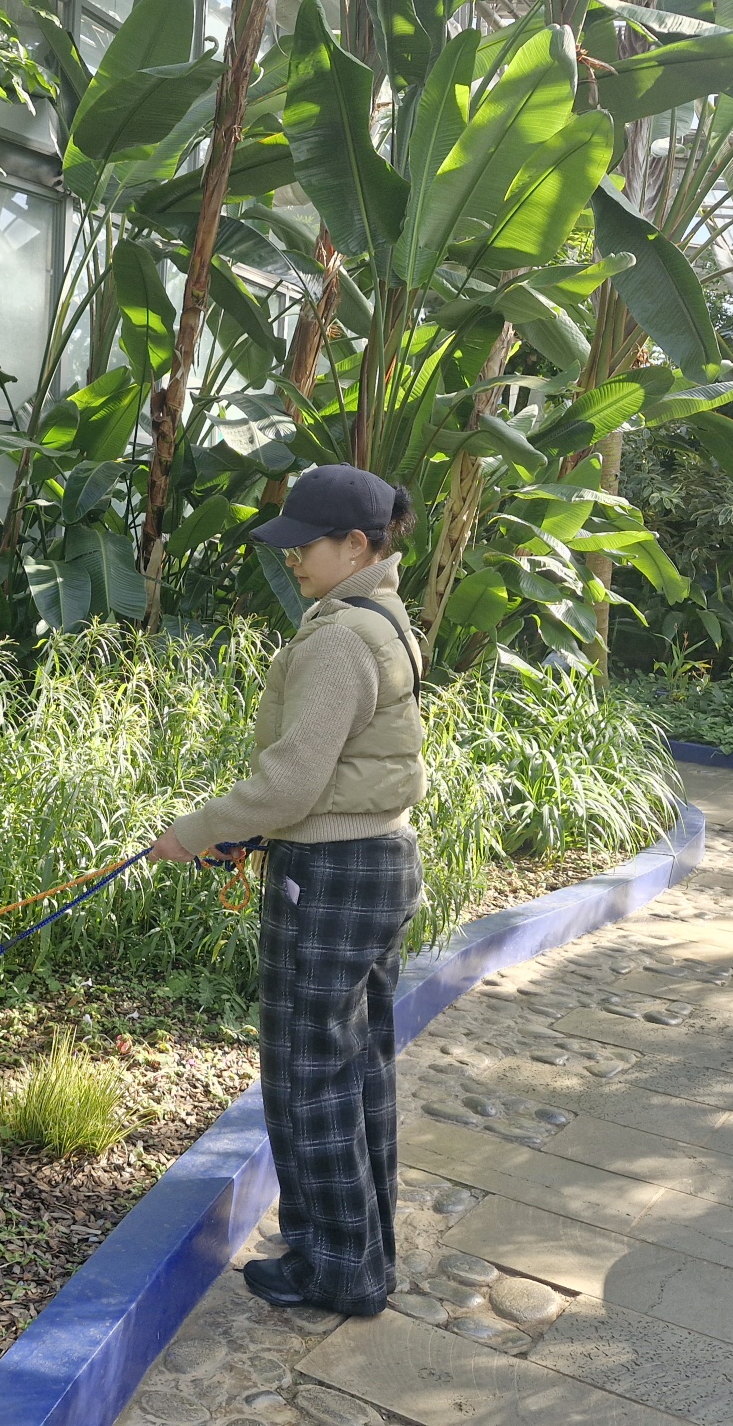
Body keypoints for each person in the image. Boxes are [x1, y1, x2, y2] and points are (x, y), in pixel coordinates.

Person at [149, 463, 426, 1317]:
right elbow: (333, 774)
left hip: (333, 875)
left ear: (357, 545)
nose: (294, 560)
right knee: (357, 1069)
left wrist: (193, 832)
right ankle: (356, 1250)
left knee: (310, 1076)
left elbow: (290, 784)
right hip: (376, 862)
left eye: (307, 546)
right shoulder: (384, 617)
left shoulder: (341, 637)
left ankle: (337, 1269)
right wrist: (252, 833)